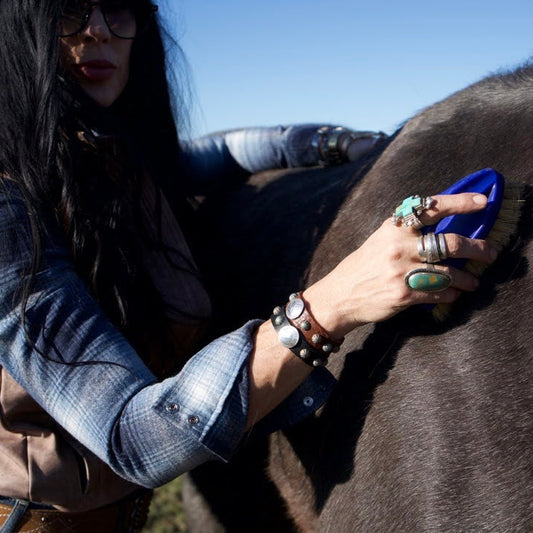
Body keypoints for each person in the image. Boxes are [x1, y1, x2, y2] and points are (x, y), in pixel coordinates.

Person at [0, 1, 496, 531]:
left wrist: (337, 143)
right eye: (70, 9)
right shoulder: (8, 208)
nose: (98, 30)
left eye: (118, 8)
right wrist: (335, 301)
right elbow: (132, 438)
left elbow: (222, 151)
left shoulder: (113, 164)